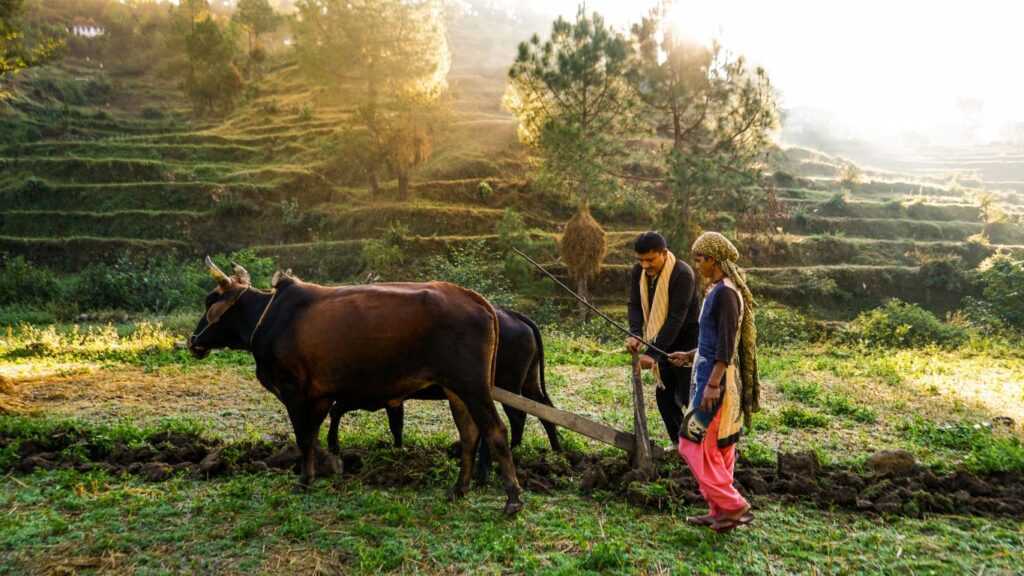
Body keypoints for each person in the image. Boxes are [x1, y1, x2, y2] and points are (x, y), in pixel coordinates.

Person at [668, 231, 760, 533]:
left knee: (691, 442)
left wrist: (712, 384)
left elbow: (725, 345)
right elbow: (715, 342)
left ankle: (733, 505)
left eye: (699, 259)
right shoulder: (720, 290)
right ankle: (719, 511)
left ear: (714, 260)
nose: (697, 264)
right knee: (720, 449)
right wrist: (690, 355)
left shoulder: (725, 294)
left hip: (715, 384)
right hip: (714, 377)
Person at [626, 231, 700, 448]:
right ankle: (680, 445)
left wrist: (652, 353)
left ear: (664, 253)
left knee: (689, 396)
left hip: (687, 341)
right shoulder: (639, 272)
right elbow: (634, 303)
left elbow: (677, 316)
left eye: (650, 259)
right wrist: (635, 333)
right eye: (640, 260)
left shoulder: (682, 274)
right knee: (665, 396)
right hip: (659, 340)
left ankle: (708, 447)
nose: (645, 265)